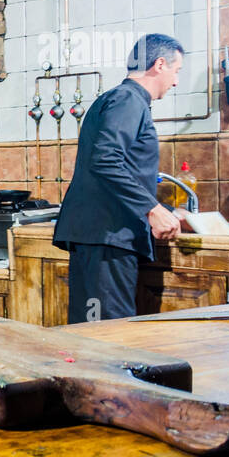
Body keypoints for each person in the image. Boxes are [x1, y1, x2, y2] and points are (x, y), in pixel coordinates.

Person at [53, 33, 183, 323]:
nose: (176, 82)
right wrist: (152, 209)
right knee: (101, 333)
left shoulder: (123, 100)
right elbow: (106, 161)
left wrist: (169, 211)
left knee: (99, 328)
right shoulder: (128, 100)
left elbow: (122, 167)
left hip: (106, 237)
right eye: (176, 71)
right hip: (106, 237)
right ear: (160, 64)